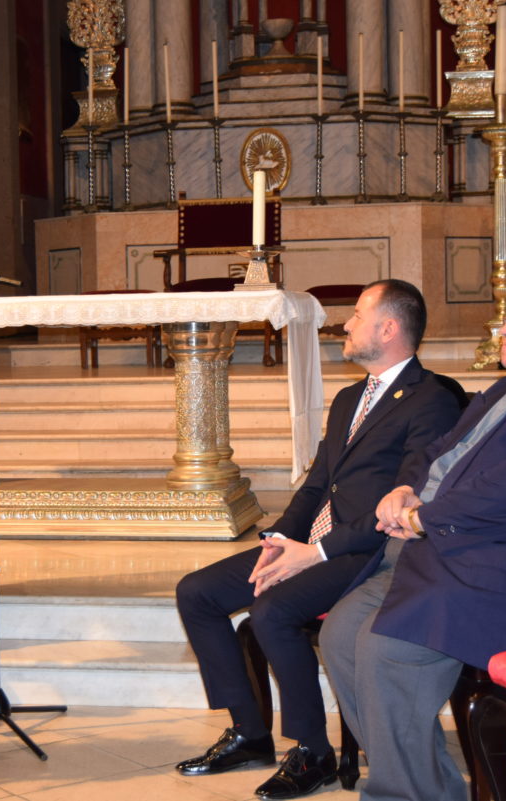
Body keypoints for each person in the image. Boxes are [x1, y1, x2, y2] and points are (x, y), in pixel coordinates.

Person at [318, 272, 506, 801]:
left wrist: (421, 520)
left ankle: (401, 793)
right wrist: (406, 487)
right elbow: (436, 448)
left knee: (387, 647)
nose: (501, 329)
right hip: (448, 555)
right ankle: (427, 785)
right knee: (340, 634)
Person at [175, 280, 463, 800]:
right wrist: (280, 538)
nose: (345, 324)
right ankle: (249, 732)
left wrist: (317, 552)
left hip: (367, 552)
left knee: (272, 612)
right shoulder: (351, 396)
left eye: (357, 314)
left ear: (389, 327)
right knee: (197, 592)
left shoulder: (433, 400)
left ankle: (312, 751)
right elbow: (317, 484)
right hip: (314, 541)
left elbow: (410, 500)